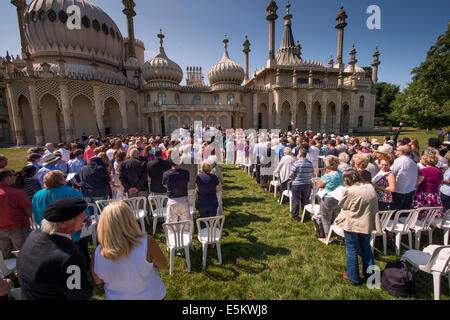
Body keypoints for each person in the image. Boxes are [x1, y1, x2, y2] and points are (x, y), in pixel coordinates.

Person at [17, 198, 93, 300]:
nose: (85, 216)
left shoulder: (35, 235)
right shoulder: (69, 257)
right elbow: (80, 294)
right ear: (62, 223)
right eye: (80, 215)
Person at [90, 202, 167, 300]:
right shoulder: (147, 242)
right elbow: (163, 264)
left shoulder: (97, 253)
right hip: (151, 296)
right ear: (130, 220)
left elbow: (97, 280)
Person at [334, 169, 381, 286]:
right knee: (366, 248)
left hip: (353, 222)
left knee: (352, 249)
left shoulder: (350, 190)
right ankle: (371, 276)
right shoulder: (370, 187)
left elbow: (343, 204)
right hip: (366, 222)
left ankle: (353, 276)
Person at [0, 168, 32, 260]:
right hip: (18, 228)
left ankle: (9, 275)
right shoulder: (17, 193)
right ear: (7, 178)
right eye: (14, 176)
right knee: (24, 256)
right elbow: (29, 211)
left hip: (1, 230)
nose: (15, 178)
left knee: (5, 258)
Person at [162, 149, 191, 229]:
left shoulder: (166, 174)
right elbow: (186, 182)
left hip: (173, 201)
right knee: (186, 224)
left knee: (171, 224)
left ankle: (174, 239)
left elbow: (165, 185)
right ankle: (185, 238)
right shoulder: (186, 172)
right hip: (183, 199)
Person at [317, 156, 343, 243]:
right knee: (337, 217)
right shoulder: (341, 173)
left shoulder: (328, 175)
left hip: (328, 198)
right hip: (339, 198)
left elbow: (319, 184)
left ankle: (327, 237)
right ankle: (339, 237)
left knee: (326, 218)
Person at [290, 148, 314, 221]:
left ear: (299, 154)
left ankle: (295, 215)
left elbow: (291, 174)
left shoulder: (296, 163)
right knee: (306, 200)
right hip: (307, 183)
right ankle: (306, 215)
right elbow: (312, 173)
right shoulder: (310, 163)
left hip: (297, 183)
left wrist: (292, 177)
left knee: (296, 199)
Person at [390, 146, 418, 211]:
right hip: (410, 189)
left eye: (396, 150)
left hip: (399, 190)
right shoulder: (413, 162)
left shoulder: (398, 161)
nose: (395, 151)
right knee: (405, 211)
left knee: (396, 211)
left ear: (401, 152)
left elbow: (391, 173)